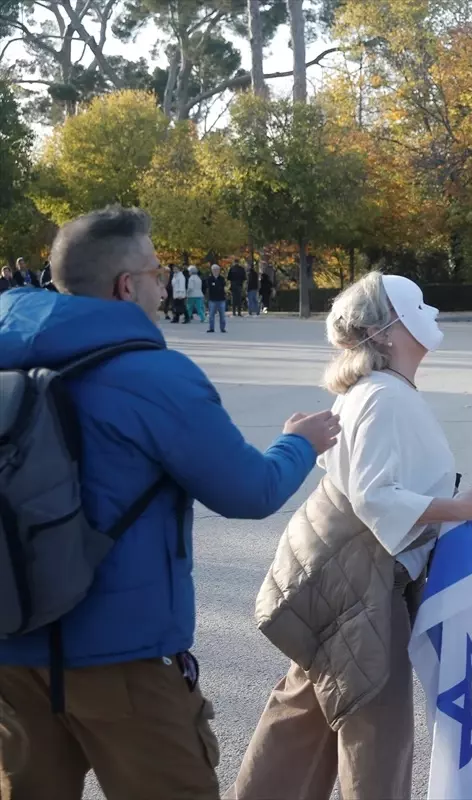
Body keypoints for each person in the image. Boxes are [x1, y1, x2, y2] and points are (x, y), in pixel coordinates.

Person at [0, 205, 340, 800]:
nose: (164, 283)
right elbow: (249, 491)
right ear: (126, 286)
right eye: (157, 272)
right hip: (122, 658)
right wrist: (298, 443)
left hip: (10, 654)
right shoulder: (155, 375)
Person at [231, 272, 472, 800]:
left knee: (307, 710)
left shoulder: (374, 391)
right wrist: (460, 507)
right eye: (419, 306)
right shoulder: (383, 396)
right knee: (374, 724)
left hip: (336, 575)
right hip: (361, 582)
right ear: (389, 330)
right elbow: (377, 498)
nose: (433, 314)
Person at [206, 263, 227, 334]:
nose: (215, 271)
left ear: (219, 270)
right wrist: (216, 286)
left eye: (217, 269)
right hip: (212, 299)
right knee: (211, 315)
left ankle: (222, 328)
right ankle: (211, 328)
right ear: (212, 271)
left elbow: (222, 286)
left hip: (221, 299)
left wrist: (216, 285)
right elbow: (210, 287)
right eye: (214, 270)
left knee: (222, 315)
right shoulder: (210, 279)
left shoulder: (222, 278)